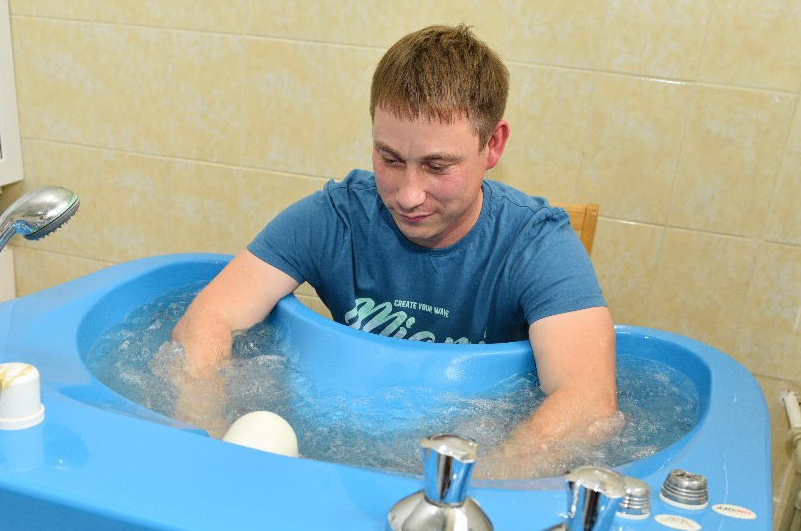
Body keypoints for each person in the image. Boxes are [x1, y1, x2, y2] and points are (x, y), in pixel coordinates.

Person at [170, 24, 618, 478]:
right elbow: (209, 315)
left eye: (437, 166)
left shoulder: (536, 244)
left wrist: (464, 486)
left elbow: (589, 400)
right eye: (389, 159)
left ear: (493, 145)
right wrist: (206, 433)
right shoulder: (335, 219)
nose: (407, 195)